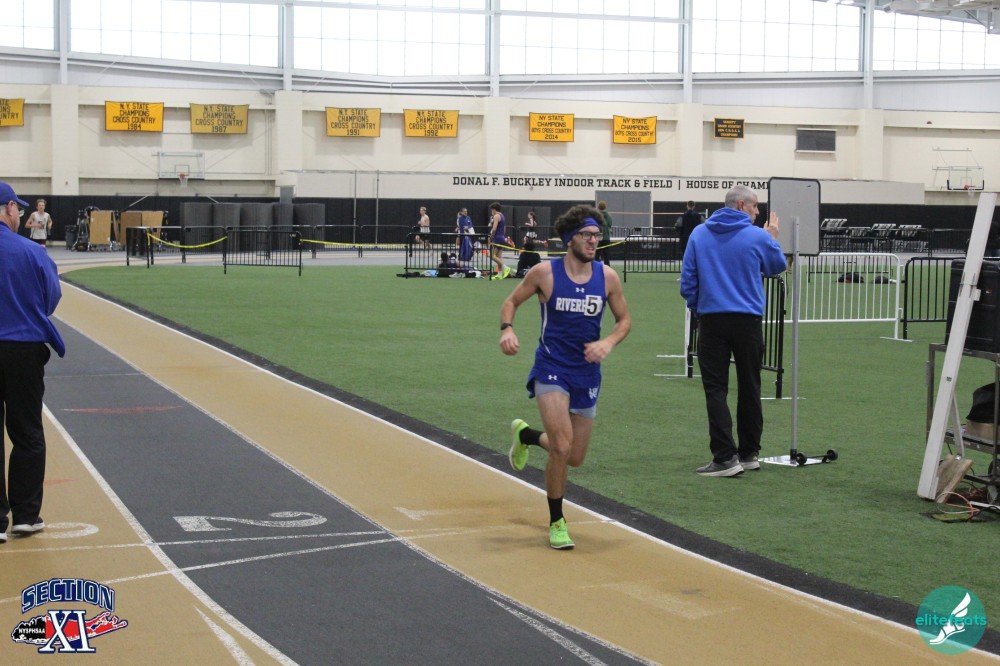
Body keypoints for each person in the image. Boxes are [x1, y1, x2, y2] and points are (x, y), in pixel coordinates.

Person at [500, 204, 631, 549]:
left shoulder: (608, 277)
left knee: (574, 456)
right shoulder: (545, 273)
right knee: (561, 445)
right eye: (587, 235)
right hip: (551, 367)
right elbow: (511, 302)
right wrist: (507, 329)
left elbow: (624, 321)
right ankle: (557, 521)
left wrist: (608, 342)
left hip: (587, 373)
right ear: (571, 238)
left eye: (597, 235)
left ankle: (526, 435)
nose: (593, 241)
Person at [680, 185, 785, 478]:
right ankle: (749, 453)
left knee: (716, 388)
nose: (757, 213)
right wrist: (771, 237)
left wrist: (699, 307)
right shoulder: (757, 236)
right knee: (750, 386)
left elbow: (688, 281)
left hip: (712, 319)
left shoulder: (699, 234)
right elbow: (776, 266)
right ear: (742, 205)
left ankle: (725, 457)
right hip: (748, 321)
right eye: (755, 207)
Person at [0, 182, 65, 543]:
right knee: (27, 432)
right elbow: (50, 298)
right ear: (9, 208)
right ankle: (25, 515)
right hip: (22, 349)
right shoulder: (32, 252)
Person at [488, 202, 511, 280]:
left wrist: (491, 236)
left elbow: (494, 228)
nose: (491, 212)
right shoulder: (502, 215)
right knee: (498, 257)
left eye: (491, 210)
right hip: (502, 237)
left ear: (494, 209)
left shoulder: (496, 216)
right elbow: (504, 227)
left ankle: (505, 267)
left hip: (497, 238)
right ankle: (500, 274)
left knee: (492, 255)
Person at [596, 200, 613, 266]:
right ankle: (607, 268)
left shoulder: (596, 216)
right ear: (605, 207)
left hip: (598, 236)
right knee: (606, 255)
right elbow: (609, 226)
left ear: (598, 207)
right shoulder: (609, 216)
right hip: (606, 237)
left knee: (597, 254)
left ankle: (596, 268)